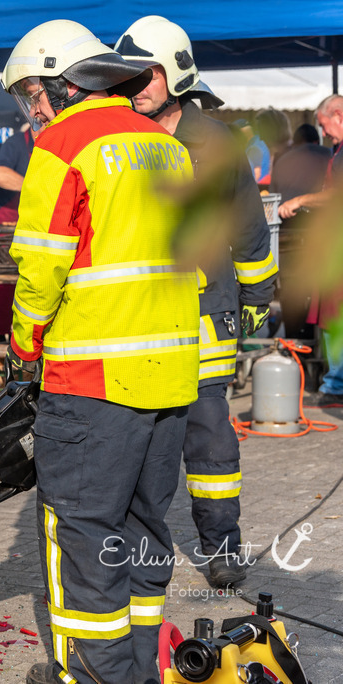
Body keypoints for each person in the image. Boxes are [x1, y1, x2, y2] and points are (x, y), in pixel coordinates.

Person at [2, 20, 199, 684]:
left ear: (60, 82)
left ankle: (94, 676)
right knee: (144, 531)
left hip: (92, 384)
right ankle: (141, 669)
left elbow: (41, 269)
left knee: (83, 539)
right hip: (170, 379)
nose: (34, 109)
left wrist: (24, 340)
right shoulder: (168, 147)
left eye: (33, 93)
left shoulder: (62, 145)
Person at [117, 15, 278, 590]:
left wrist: (258, 296)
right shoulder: (118, 139)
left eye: (148, 74)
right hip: (139, 318)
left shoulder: (216, 143)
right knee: (144, 440)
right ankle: (140, 551)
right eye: (129, 74)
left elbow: (249, 229)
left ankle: (222, 547)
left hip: (208, 313)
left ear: (176, 75)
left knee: (208, 439)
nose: (137, 84)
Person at [280, 94, 343, 404]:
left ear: (339, 115)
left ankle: (335, 386)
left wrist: (301, 201)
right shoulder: (336, 151)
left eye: (325, 125)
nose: (325, 133)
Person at [272, 123, 332, 339]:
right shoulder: (330, 154)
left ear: (296, 142)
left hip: (289, 236)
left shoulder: (283, 160)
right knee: (322, 294)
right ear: (317, 140)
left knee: (291, 292)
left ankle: (293, 342)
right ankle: (316, 347)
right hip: (321, 234)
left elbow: (275, 199)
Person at [0, 122, 36, 344]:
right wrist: (34, 187)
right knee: (1, 292)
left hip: (28, 226)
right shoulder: (16, 144)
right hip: (3, 229)